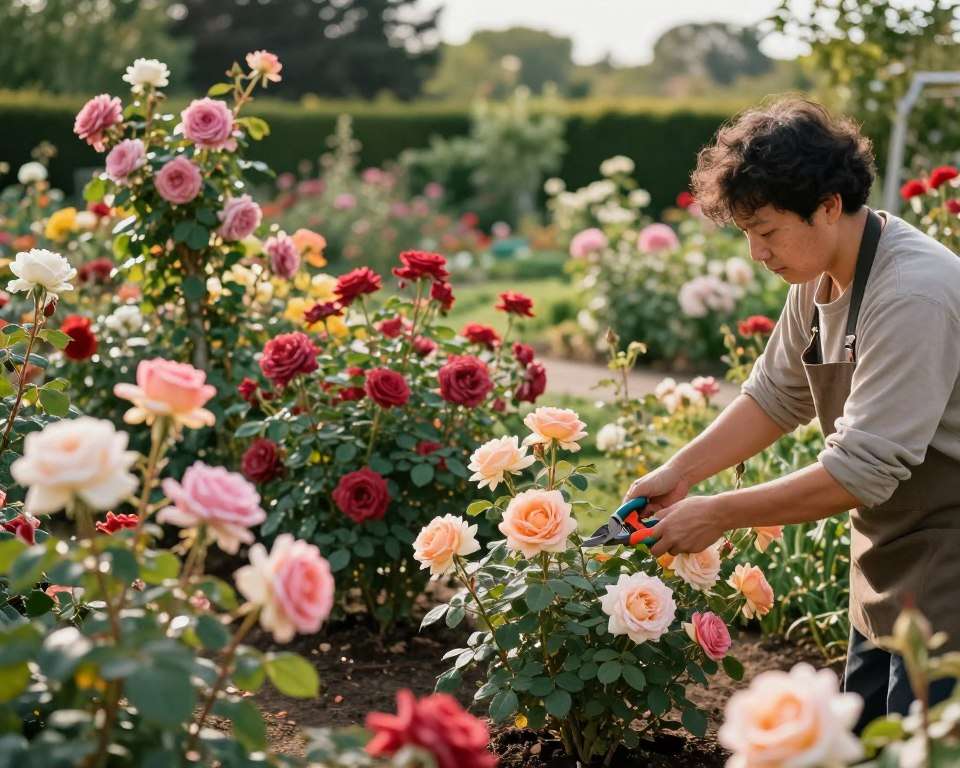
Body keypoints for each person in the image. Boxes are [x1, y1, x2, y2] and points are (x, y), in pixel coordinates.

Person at [622, 98, 960, 732]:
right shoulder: (822, 273)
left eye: (768, 231)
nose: (757, 253)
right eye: (747, 233)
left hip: (954, 564)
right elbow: (777, 395)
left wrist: (717, 513)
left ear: (829, 205)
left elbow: (861, 472)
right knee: (859, 742)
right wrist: (680, 473)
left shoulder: (912, 292)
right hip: (890, 559)